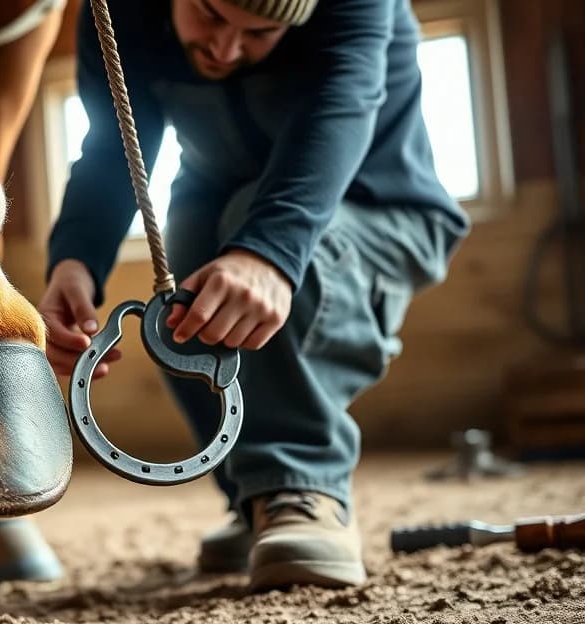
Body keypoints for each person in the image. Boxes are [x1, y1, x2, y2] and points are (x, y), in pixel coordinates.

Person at [40, 0, 470, 590]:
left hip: (382, 211)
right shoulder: (116, 11)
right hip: (216, 202)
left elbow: (338, 113)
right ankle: (258, 499)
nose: (225, 50)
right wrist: (74, 264)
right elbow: (113, 144)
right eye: (210, 16)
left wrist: (268, 255)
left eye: (261, 33)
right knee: (188, 265)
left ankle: (304, 491)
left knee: (253, 230)